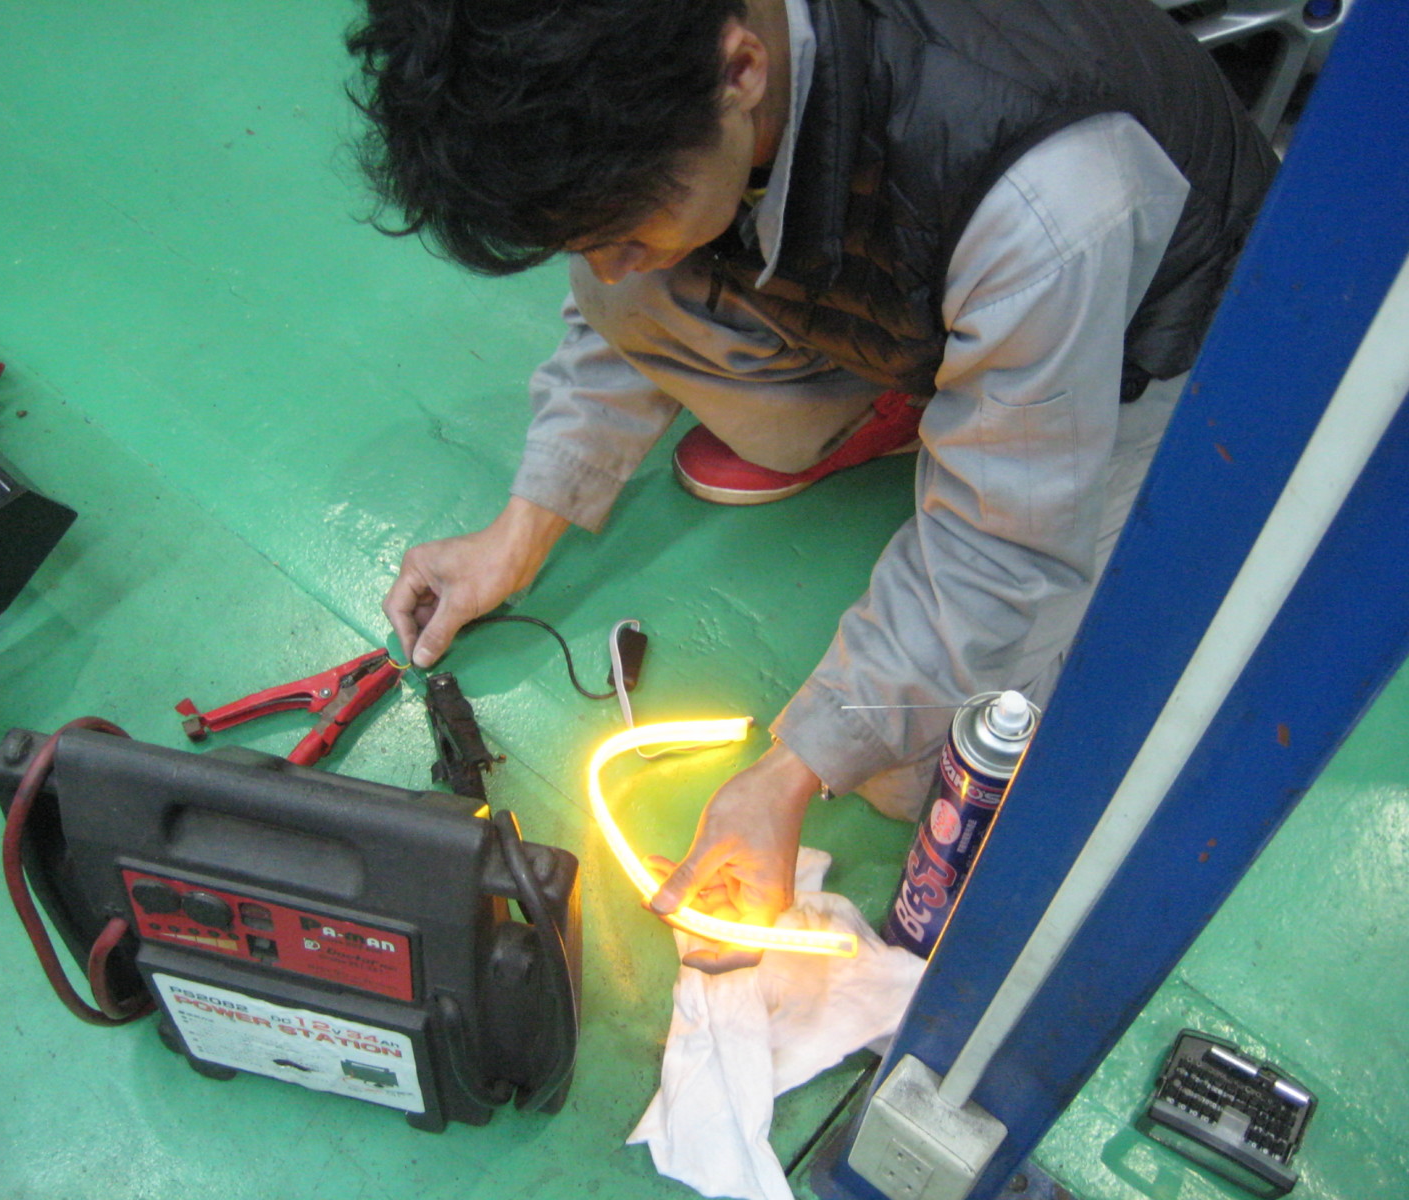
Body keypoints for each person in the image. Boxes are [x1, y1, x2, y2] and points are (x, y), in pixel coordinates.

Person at [349, 0, 1275, 970]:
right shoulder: (668, 82)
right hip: (945, 255)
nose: (604, 270)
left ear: (742, 70)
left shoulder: (1045, 204)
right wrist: (520, 529)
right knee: (646, 274)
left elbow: (999, 550)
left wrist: (793, 772)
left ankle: (966, 394)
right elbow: (616, 295)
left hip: (1161, 346)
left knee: (923, 771)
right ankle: (931, 389)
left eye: (617, 230)